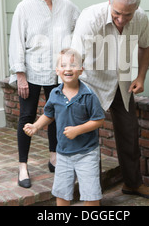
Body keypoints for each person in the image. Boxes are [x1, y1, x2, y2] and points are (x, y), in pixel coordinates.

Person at [71, 0, 149, 199]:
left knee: (130, 135)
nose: (121, 19)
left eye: (127, 15)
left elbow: (146, 45)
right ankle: (92, 194)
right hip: (91, 84)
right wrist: (71, 95)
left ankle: (133, 184)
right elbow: (74, 58)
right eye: (117, 13)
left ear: (136, 8)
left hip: (122, 83)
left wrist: (141, 76)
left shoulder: (140, 17)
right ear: (110, 2)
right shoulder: (90, 17)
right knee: (89, 141)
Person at [9, 0, 80, 188]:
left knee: (56, 115)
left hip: (58, 74)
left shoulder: (67, 6)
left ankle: (54, 157)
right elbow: (16, 42)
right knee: (27, 117)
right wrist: (20, 74)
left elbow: (81, 30)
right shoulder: (24, 8)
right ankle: (23, 166)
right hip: (31, 72)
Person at [23, 48, 105, 206]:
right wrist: (35, 126)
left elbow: (99, 120)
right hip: (63, 154)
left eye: (73, 65)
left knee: (91, 193)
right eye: (64, 64)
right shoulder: (55, 94)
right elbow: (49, 114)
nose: (68, 68)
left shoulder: (88, 95)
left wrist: (78, 130)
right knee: (62, 192)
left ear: (81, 70)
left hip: (86, 153)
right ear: (57, 70)